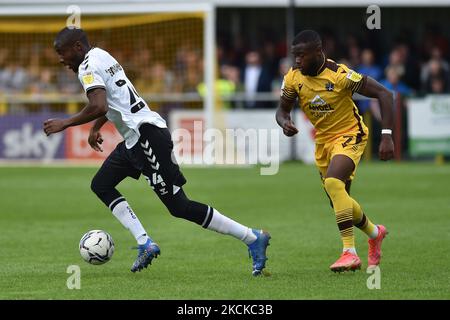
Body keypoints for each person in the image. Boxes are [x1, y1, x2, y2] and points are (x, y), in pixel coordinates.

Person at [43, 27, 270, 276]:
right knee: (101, 184)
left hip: (147, 136)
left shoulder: (87, 66)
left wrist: (65, 123)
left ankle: (252, 237)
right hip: (135, 139)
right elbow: (115, 98)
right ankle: (145, 243)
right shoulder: (101, 55)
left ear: (76, 47)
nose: (60, 59)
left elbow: (99, 104)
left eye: (61, 52)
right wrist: (97, 126)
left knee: (179, 206)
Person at [276, 30, 394, 273]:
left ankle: (349, 253)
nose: (296, 61)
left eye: (301, 56)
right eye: (294, 56)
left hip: (351, 134)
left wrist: (387, 136)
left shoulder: (340, 75)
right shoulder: (292, 78)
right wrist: (284, 122)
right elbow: (282, 110)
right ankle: (374, 232)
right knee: (340, 201)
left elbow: (384, 93)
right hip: (324, 143)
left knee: (333, 182)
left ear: (318, 53)